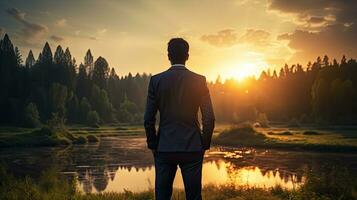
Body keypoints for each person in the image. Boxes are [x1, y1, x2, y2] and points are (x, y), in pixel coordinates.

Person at [144, 38, 215, 200]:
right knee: (194, 196)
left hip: (165, 147)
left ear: (168, 56)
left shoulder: (156, 81)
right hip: (192, 147)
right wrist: (203, 144)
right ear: (187, 56)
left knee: (162, 196)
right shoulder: (199, 80)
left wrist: (154, 145)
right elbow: (209, 118)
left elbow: (148, 119)